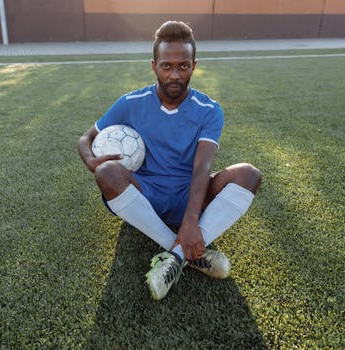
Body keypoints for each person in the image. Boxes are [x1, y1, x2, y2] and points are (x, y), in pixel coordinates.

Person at [77, 21, 262, 300]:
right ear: (154, 66)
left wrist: (190, 220)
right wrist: (91, 161)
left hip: (189, 196)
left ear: (194, 66)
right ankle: (182, 250)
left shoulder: (209, 110)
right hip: (146, 197)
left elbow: (203, 168)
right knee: (106, 172)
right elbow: (85, 139)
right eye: (167, 66)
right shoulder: (131, 102)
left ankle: (174, 257)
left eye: (183, 66)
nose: (175, 74)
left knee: (249, 174)